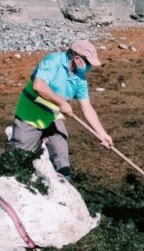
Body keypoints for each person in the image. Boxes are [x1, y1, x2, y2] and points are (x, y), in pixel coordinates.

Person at [8, 41, 112, 176]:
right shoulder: (53, 61)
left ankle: (65, 182)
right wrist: (61, 103)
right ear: (77, 58)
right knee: (16, 162)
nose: (89, 67)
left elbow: (87, 107)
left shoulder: (80, 79)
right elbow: (39, 86)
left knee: (61, 154)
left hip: (53, 116)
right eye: (88, 63)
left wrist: (102, 134)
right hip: (30, 116)